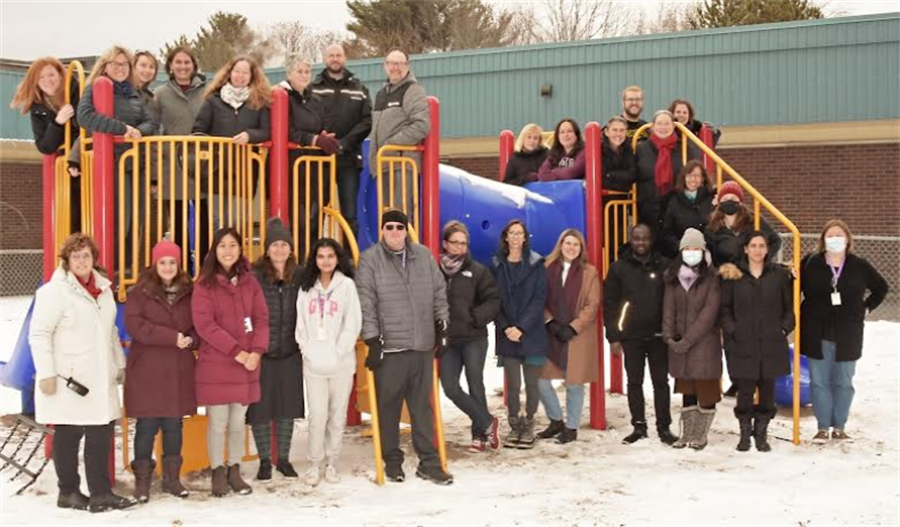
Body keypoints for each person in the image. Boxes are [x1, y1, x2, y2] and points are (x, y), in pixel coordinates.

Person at [29, 233, 132, 512]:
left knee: (101, 433)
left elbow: (110, 331)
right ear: (67, 260)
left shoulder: (104, 289)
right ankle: (69, 492)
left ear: (94, 259)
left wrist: (119, 363)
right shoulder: (54, 292)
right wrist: (47, 373)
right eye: (76, 256)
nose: (82, 260)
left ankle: (100, 493)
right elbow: (39, 334)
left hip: (100, 375)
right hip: (69, 377)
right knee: (68, 432)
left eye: (86, 255)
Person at [357, 210, 452, 485]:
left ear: (407, 229)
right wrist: (373, 340)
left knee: (422, 409)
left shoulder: (423, 256)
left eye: (400, 227)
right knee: (388, 408)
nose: (395, 232)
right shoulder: (370, 260)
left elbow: (438, 292)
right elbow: (366, 302)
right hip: (391, 350)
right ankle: (392, 461)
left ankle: (429, 463)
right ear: (382, 230)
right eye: (390, 227)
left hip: (421, 345)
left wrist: (442, 326)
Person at [191, 227, 269, 497]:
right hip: (218, 363)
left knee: (238, 422)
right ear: (214, 250)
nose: (228, 250)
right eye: (222, 245)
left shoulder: (250, 282)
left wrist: (257, 351)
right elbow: (205, 326)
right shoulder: (204, 285)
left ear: (240, 249)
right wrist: (237, 352)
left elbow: (261, 318)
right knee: (218, 422)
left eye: (233, 245)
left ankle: (234, 470)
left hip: (247, 363)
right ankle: (217, 470)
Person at [800, 219, 888, 443]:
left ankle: (839, 426)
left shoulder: (859, 265)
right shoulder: (811, 263)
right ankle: (822, 427)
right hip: (816, 330)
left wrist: (866, 308)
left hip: (848, 332)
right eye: (830, 235)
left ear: (848, 239)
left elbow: (881, 287)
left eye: (839, 235)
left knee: (844, 382)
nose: (835, 239)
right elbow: (793, 285)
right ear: (823, 240)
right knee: (819, 382)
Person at [124, 239, 197, 501]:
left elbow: (199, 323)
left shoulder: (191, 291)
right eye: (163, 262)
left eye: (172, 262)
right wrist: (172, 337)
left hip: (177, 368)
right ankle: (142, 481)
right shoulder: (138, 292)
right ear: (155, 264)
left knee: (173, 425)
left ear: (179, 264)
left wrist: (192, 339)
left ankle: (172, 479)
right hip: (148, 369)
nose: (168, 267)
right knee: (147, 425)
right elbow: (136, 326)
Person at [76, 46, 157, 270]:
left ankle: (127, 270)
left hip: (135, 165)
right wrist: (123, 129)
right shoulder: (95, 87)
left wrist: (139, 130)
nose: (120, 68)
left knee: (136, 221)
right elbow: (85, 117)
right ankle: (108, 270)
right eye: (115, 64)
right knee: (118, 221)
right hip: (111, 164)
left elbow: (150, 121)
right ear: (105, 66)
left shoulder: (132, 93)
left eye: (124, 64)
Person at [719, 232, 794, 452]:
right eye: (753, 245)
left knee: (768, 392)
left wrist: (783, 328)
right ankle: (744, 433)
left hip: (771, 342)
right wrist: (733, 330)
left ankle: (761, 434)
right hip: (743, 343)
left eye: (762, 246)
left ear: (767, 249)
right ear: (745, 249)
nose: (758, 250)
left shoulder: (778, 275)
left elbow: (788, 307)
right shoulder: (734, 276)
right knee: (745, 390)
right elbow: (725, 309)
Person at [295, 237, 362, 485]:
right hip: (314, 364)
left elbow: (352, 322)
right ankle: (314, 463)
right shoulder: (306, 287)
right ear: (315, 259)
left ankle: (332, 461)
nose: (325, 261)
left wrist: (339, 351)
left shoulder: (346, 286)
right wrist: (308, 350)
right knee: (317, 415)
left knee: (337, 414)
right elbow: (300, 323)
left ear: (337, 259)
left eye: (330, 256)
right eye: (321, 256)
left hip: (341, 364)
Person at [604, 224, 677, 445]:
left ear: (651, 240)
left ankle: (664, 427)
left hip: (658, 337)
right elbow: (610, 305)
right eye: (637, 238)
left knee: (661, 383)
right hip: (631, 336)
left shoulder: (665, 265)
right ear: (631, 240)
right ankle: (639, 427)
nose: (641, 243)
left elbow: (674, 301)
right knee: (634, 383)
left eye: (645, 238)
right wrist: (614, 336)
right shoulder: (618, 268)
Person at [248, 219, 304, 482]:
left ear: (290, 249)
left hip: (291, 351)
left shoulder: (301, 275)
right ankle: (264, 461)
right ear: (267, 249)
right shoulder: (254, 276)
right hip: (263, 352)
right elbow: (245, 312)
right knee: (260, 408)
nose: (280, 249)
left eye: (284, 244)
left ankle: (283, 459)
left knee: (286, 407)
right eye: (274, 245)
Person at [437, 221, 501, 453]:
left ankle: (479, 436)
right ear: (445, 243)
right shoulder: (435, 271)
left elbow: (493, 300)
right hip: (448, 341)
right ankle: (487, 422)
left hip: (474, 338)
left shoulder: (477, 271)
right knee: (450, 387)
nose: (460, 248)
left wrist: (475, 317)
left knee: (475, 383)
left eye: (464, 243)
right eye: (455, 243)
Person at [537, 229, 600, 444]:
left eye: (576, 244)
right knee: (541, 380)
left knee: (574, 383)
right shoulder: (546, 268)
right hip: (550, 333)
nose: (571, 248)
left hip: (577, 335)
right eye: (568, 243)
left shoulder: (589, 272)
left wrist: (573, 327)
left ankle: (571, 427)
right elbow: (539, 298)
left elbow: (592, 304)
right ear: (560, 245)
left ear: (581, 248)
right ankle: (556, 420)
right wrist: (550, 322)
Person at [192, 55, 272, 223]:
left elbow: (267, 131)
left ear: (252, 77)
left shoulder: (259, 102)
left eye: (245, 73)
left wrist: (250, 135)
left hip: (244, 171)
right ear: (229, 73)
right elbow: (198, 131)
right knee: (217, 220)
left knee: (237, 220)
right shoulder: (213, 100)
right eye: (237, 71)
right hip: (215, 171)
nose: (240, 76)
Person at [490, 219, 548, 449]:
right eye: (511, 233)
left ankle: (529, 422)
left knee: (532, 384)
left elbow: (539, 299)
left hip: (531, 333)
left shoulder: (536, 264)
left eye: (519, 233)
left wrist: (521, 327)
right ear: (506, 237)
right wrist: (506, 327)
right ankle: (514, 424)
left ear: (525, 238)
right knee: (512, 384)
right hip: (507, 335)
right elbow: (494, 299)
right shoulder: (496, 264)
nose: (515, 237)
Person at [663, 228, 722, 450]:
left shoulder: (712, 277)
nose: (691, 252)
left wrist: (687, 340)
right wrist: (669, 336)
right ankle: (686, 433)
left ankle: (700, 434)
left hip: (705, 343)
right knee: (687, 388)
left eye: (695, 248)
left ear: (703, 250)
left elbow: (709, 313)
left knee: (705, 388)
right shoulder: (673, 277)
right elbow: (668, 309)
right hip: (680, 344)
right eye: (687, 248)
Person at [149, 46, 209, 265]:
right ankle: (182, 270)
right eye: (178, 62)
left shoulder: (206, 91)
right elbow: (153, 130)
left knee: (204, 222)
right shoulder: (160, 94)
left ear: (193, 66)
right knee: (178, 224)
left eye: (187, 62)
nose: (183, 66)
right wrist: (155, 175)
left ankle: (204, 271)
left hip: (201, 166)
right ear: (171, 67)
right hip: (172, 169)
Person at [9, 57, 82, 229]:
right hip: (66, 168)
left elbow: (85, 129)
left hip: (81, 158)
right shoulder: (38, 107)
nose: (47, 81)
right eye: (41, 77)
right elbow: (45, 146)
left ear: (61, 75)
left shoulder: (77, 92)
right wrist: (58, 122)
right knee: (71, 214)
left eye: (51, 75)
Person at [311, 43, 372, 236]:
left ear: (345, 58)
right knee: (315, 213)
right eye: (331, 55)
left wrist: (344, 144)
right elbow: (307, 118)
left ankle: (350, 263)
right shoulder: (313, 89)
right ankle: (312, 260)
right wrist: (322, 140)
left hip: (349, 160)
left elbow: (367, 121)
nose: (335, 59)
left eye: (338, 55)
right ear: (324, 59)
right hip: (319, 160)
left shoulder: (359, 88)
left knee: (350, 214)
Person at [279, 57, 339, 255]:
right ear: (289, 74)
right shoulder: (281, 97)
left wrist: (324, 137)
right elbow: (285, 131)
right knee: (297, 219)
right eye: (299, 71)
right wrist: (313, 139)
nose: (304, 75)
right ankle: (294, 263)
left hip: (315, 170)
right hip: (292, 169)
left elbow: (323, 125)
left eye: (307, 71)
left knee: (314, 218)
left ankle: (312, 262)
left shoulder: (315, 100)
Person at [367, 48, 430, 218]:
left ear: (407, 66)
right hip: (383, 163)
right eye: (391, 63)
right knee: (386, 217)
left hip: (402, 163)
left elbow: (422, 125)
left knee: (400, 216)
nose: (395, 67)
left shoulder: (412, 90)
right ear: (385, 66)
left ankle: (405, 245)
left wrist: (391, 145)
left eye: (399, 63)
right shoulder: (381, 94)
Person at [635, 110, 700, 234]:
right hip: (648, 208)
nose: (663, 127)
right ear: (653, 126)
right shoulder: (641, 149)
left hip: (676, 208)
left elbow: (696, 174)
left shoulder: (685, 148)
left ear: (674, 126)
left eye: (667, 123)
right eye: (659, 124)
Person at [706, 181, 782, 267]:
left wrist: (762, 261)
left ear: (740, 202)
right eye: (725, 199)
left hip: (751, 273)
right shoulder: (713, 225)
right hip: (726, 274)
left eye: (733, 199)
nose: (729, 202)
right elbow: (710, 252)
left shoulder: (754, 220)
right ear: (719, 202)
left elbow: (775, 241)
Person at [660, 160, 715, 258]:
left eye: (697, 176)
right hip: (680, 254)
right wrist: (680, 246)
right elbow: (667, 231)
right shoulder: (674, 200)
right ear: (684, 178)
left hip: (707, 253)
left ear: (703, 179)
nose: (693, 179)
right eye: (689, 175)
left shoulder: (712, 199)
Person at [601, 116, 637, 193]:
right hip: (604, 200)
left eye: (622, 130)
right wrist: (623, 179)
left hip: (625, 200)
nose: (618, 134)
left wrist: (610, 174)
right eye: (614, 130)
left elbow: (633, 175)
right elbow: (602, 180)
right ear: (606, 132)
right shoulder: (599, 150)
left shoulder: (629, 149)